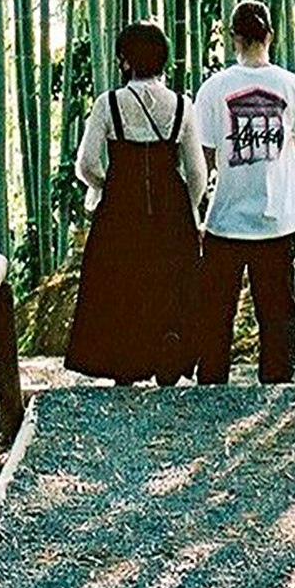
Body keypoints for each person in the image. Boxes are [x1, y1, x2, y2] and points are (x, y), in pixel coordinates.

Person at [65, 21, 205, 386]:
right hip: (170, 206)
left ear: (125, 61)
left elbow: (86, 164)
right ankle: (169, 344)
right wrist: (184, 211)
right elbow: (198, 172)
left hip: (121, 208)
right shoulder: (182, 106)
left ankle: (125, 361)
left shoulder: (108, 104)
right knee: (169, 284)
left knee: (122, 284)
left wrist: (107, 186)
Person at [192, 0, 295, 385]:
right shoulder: (292, 85)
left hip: (226, 218)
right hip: (279, 217)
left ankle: (212, 383)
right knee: (278, 310)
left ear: (235, 38)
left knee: (216, 309)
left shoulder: (213, 88)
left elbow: (206, 155)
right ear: (270, 36)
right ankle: (277, 384)